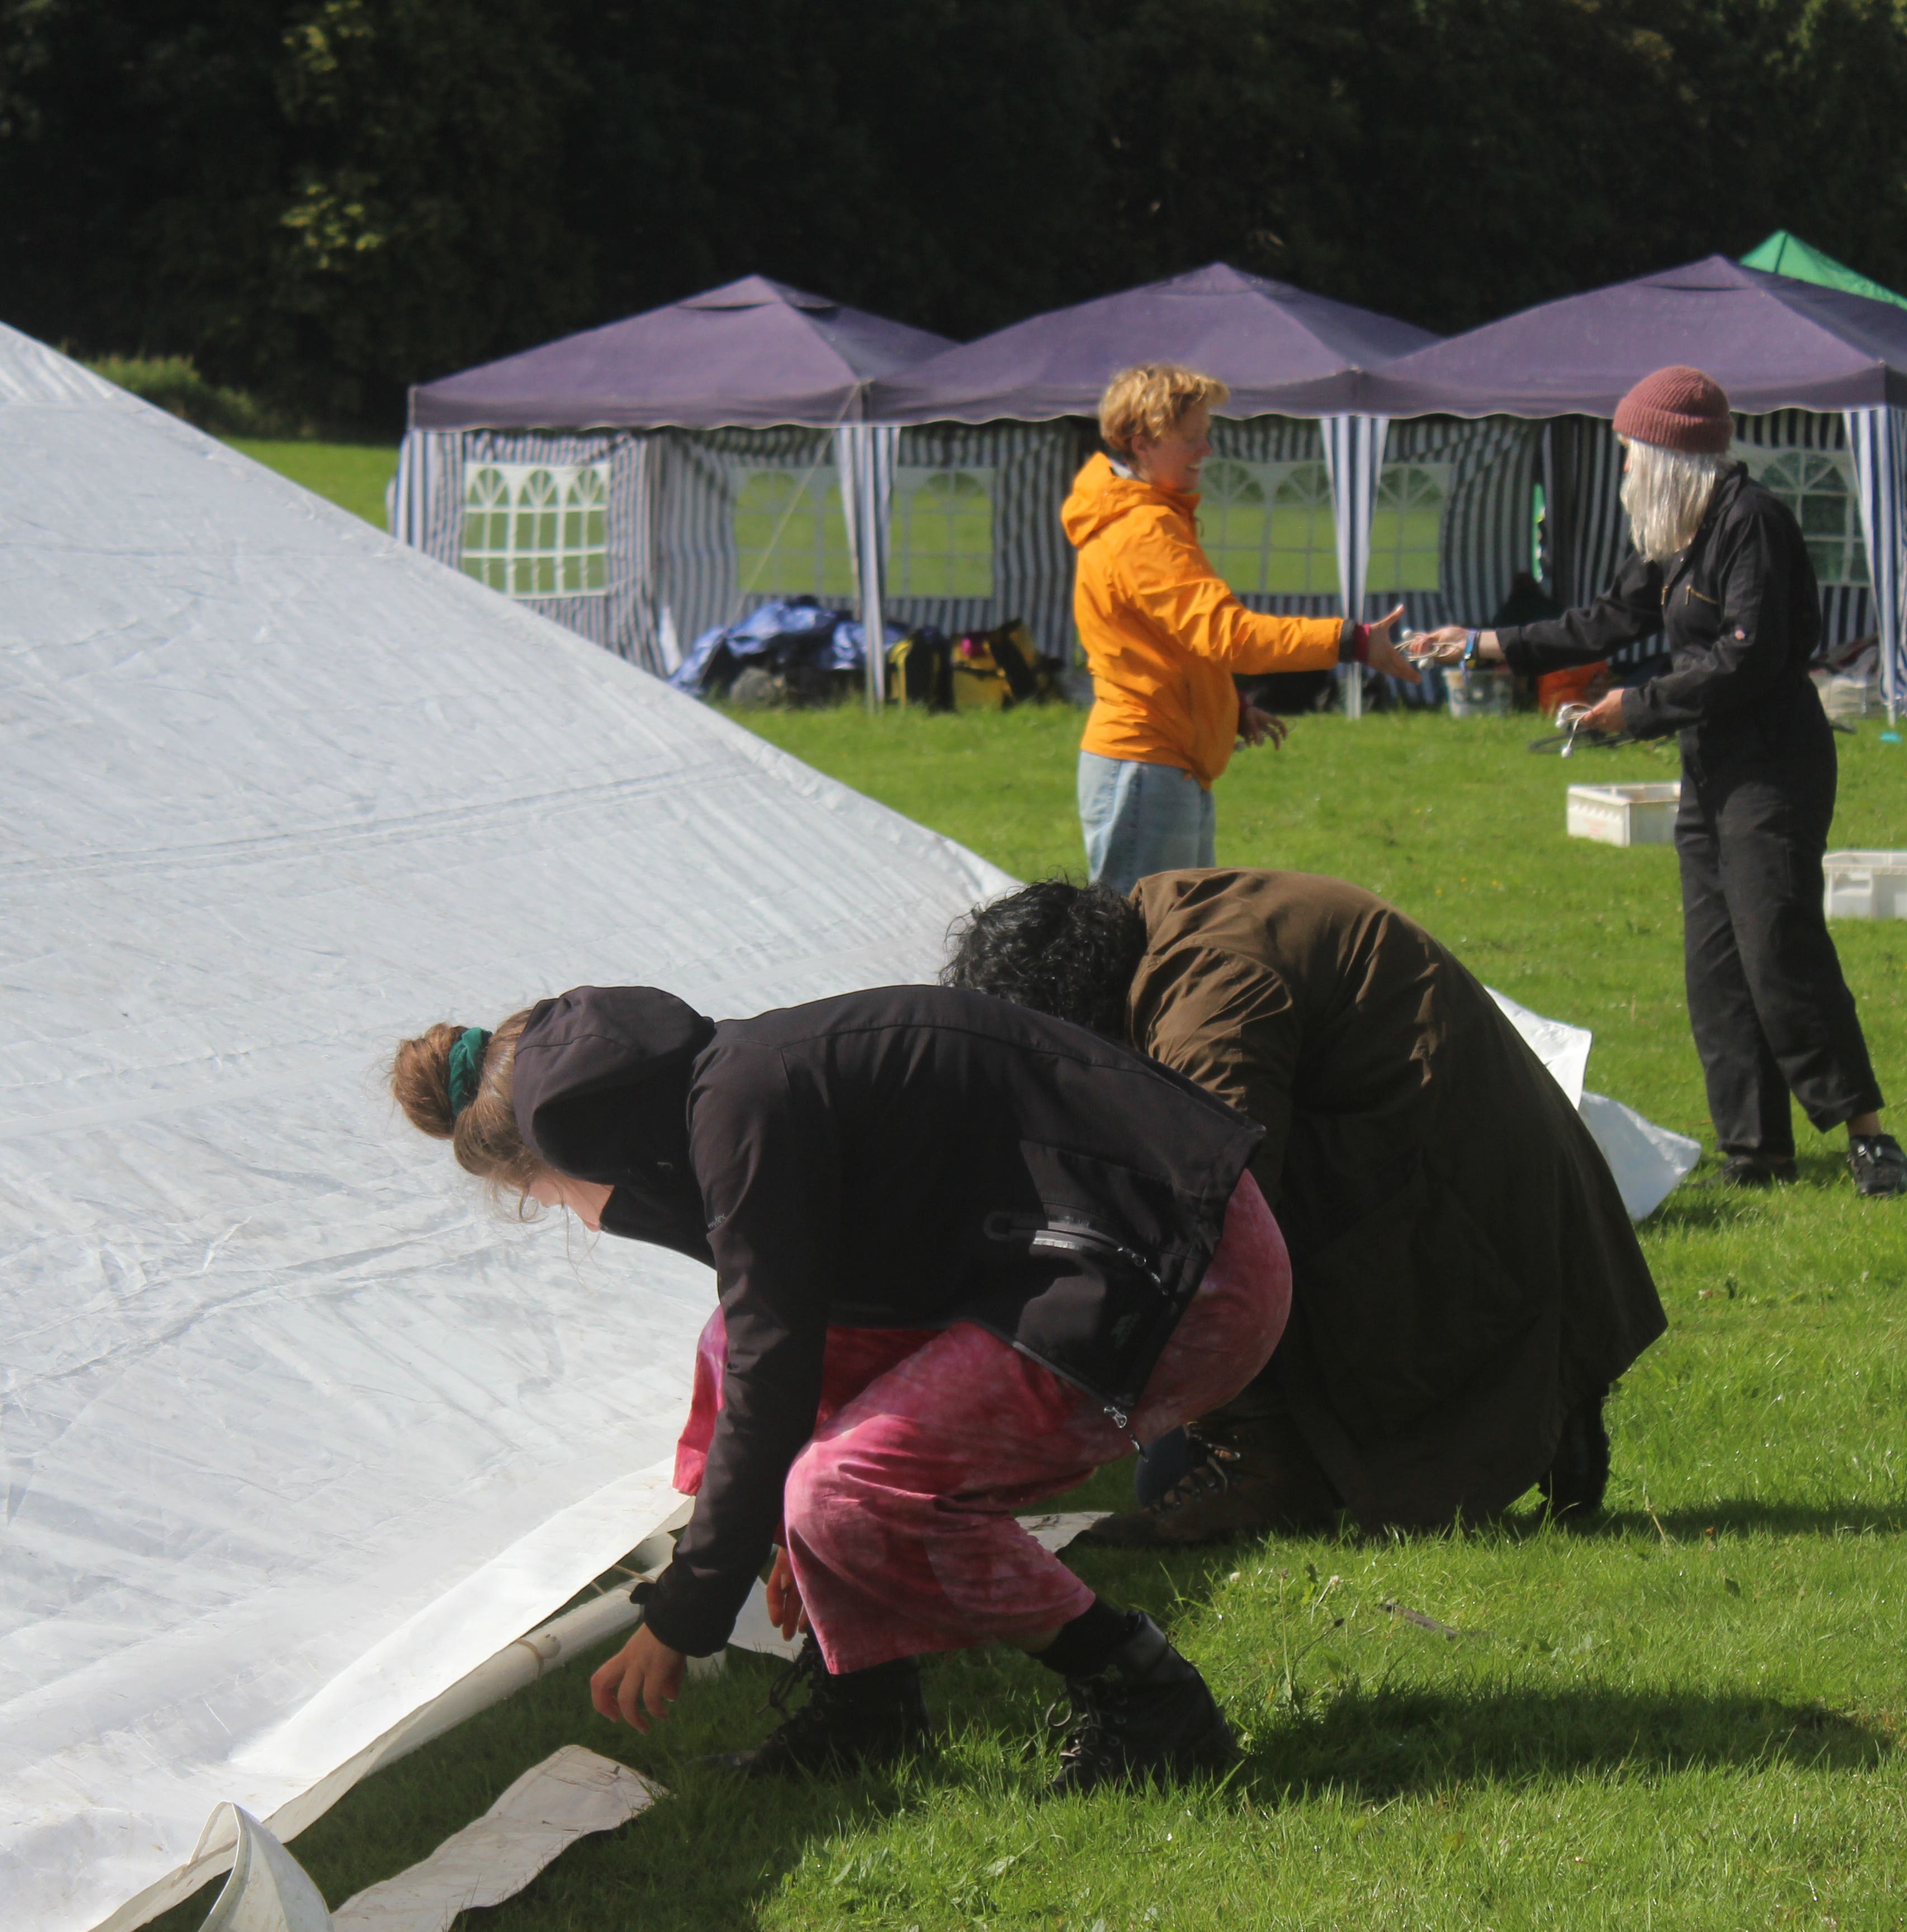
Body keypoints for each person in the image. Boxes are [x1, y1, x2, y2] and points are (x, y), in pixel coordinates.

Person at [387, 983, 1291, 1785]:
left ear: (584, 1148)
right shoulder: (732, 1082)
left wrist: (685, 1612)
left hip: (1184, 1276)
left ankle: (1148, 1697)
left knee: (843, 1493)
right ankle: (868, 1707)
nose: (583, 1224)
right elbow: (765, 1350)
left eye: (552, 1200)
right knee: (738, 1380)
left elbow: (773, 1371)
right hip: (1116, 1250)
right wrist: (791, 1547)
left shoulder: (744, 1116)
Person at [945, 870, 1667, 1545]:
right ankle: (1537, 1412)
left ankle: (1265, 1469)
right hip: (1463, 1163)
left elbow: (1212, 1221)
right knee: (1159, 1461)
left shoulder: (1207, 1000)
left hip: (1467, 1197)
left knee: (1178, 1322)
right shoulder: (1161, 923)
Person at [1407, 366, 1907, 1200]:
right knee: (1716, 969)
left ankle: (1869, 1137)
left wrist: (1635, 707)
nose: (1624, 474)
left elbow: (1746, 659)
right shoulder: (1679, 536)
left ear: (1670, 456)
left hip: (1772, 769)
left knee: (1778, 947)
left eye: (1630, 456)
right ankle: (1755, 1153)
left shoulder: (1753, 525)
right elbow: (1606, 620)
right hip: (1709, 767)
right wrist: (1481, 645)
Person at [1068, 364, 1417, 892]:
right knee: (1142, 947)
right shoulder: (1144, 530)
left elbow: (1175, 645)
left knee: (1178, 936)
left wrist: (1228, 707)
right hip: (1144, 767)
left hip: (1161, 764)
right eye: (1191, 438)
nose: (1206, 450)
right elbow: (1229, 635)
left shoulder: (1150, 517)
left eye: (1206, 435)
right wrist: (1352, 640)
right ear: (1141, 444)